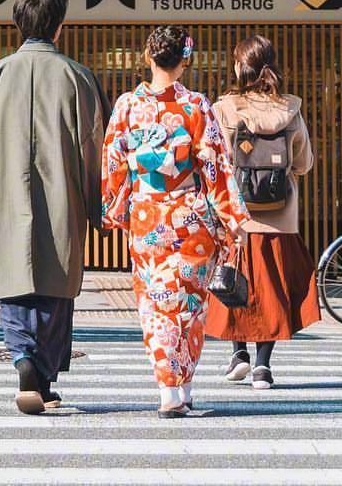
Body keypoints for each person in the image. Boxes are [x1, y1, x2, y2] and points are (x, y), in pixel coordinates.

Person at [0, 0, 107, 415]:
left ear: (19, 23)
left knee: (14, 286)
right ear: (60, 25)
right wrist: (98, 205)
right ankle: (41, 374)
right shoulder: (77, 77)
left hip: (8, 202)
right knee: (56, 288)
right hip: (61, 203)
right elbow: (94, 148)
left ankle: (26, 365)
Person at [101, 25, 248, 418]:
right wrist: (232, 220)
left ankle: (169, 387)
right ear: (185, 60)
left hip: (148, 219)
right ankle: (180, 386)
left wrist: (116, 207)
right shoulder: (197, 105)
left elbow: (114, 162)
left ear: (148, 57)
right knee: (188, 308)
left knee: (153, 305)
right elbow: (216, 166)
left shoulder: (127, 106)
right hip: (190, 218)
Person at [205, 35, 321, 390]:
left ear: (241, 67)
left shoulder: (225, 108)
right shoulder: (289, 109)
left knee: (235, 281)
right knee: (271, 289)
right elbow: (304, 163)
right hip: (279, 215)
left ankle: (238, 351)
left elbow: (213, 161)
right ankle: (262, 366)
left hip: (236, 215)